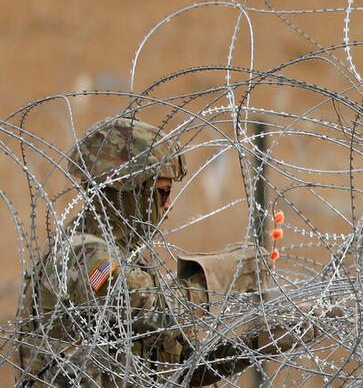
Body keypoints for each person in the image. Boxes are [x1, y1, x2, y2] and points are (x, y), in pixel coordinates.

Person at [15, 116, 330, 386]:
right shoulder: (83, 255)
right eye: (161, 192)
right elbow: (156, 314)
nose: (168, 205)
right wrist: (223, 272)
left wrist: (264, 341)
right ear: (129, 189)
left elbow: (182, 368)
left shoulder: (127, 259)